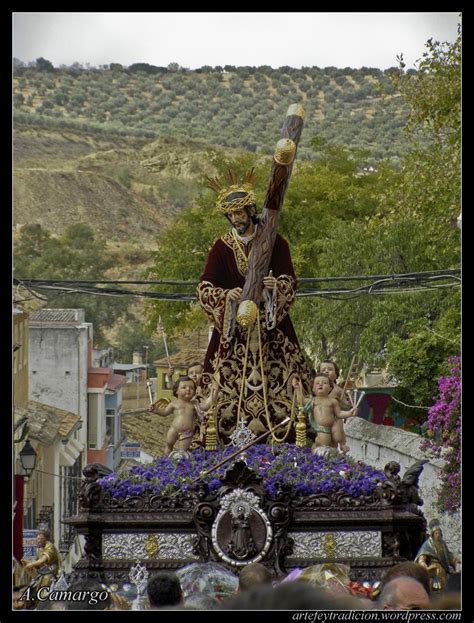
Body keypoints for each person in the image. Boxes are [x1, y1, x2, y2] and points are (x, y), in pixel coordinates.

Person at [197, 169, 310, 445]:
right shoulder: (221, 248)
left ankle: (287, 437)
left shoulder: (275, 242)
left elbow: (290, 281)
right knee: (220, 386)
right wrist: (227, 296)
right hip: (234, 331)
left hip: (272, 331)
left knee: (286, 382)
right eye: (231, 215)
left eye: (240, 213)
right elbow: (204, 289)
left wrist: (275, 287)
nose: (236, 219)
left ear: (251, 210)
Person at [292, 373, 357, 453]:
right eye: (317, 383)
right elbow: (301, 401)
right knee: (324, 442)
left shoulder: (333, 401)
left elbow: (339, 414)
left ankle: (341, 447)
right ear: (313, 389)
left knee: (336, 439)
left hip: (333, 426)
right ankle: (316, 450)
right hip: (321, 428)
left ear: (330, 388)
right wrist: (297, 388)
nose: (321, 384)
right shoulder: (312, 400)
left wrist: (349, 413)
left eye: (324, 383)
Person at [318, 360, 357, 452]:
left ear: (336, 375)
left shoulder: (339, 390)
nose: (327, 371)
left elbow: (346, 406)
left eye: (330, 369)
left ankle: (341, 445)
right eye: (323, 370)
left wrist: (342, 403)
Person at [415, 519, 459, 591]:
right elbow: (421, 557)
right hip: (433, 569)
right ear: (432, 534)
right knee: (433, 587)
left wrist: (455, 560)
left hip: (443, 569)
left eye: (439, 533)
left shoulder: (443, 544)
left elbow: (448, 555)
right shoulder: (428, 544)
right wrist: (425, 566)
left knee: (444, 587)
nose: (438, 535)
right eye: (436, 533)